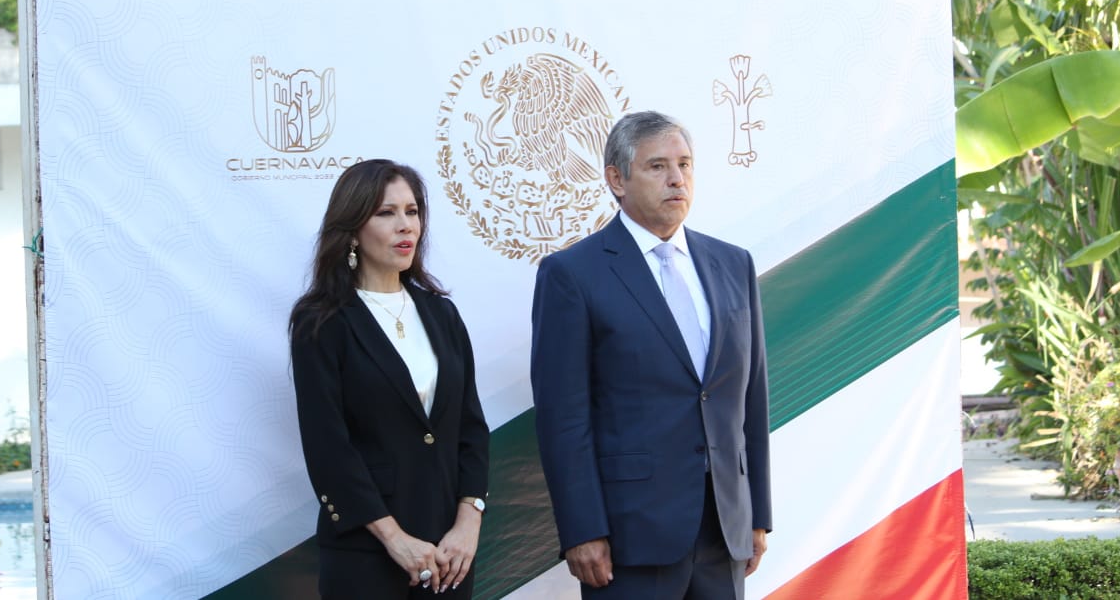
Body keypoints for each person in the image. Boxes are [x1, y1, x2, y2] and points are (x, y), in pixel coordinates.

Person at [530, 111, 772, 599]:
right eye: (658, 166)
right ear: (616, 180)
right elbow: (564, 418)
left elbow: (751, 399)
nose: (677, 179)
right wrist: (581, 529)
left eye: (685, 164)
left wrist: (757, 514)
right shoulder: (572, 274)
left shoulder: (733, 264)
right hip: (629, 537)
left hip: (724, 528)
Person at [290, 159, 490, 599]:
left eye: (412, 211)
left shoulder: (442, 313)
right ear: (352, 227)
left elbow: (471, 429)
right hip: (367, 556)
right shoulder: (321, 322)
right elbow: (328, 448)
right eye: (386, 213)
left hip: (448, 556)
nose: (406, 226)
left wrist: (468, 522)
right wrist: (394, 539)